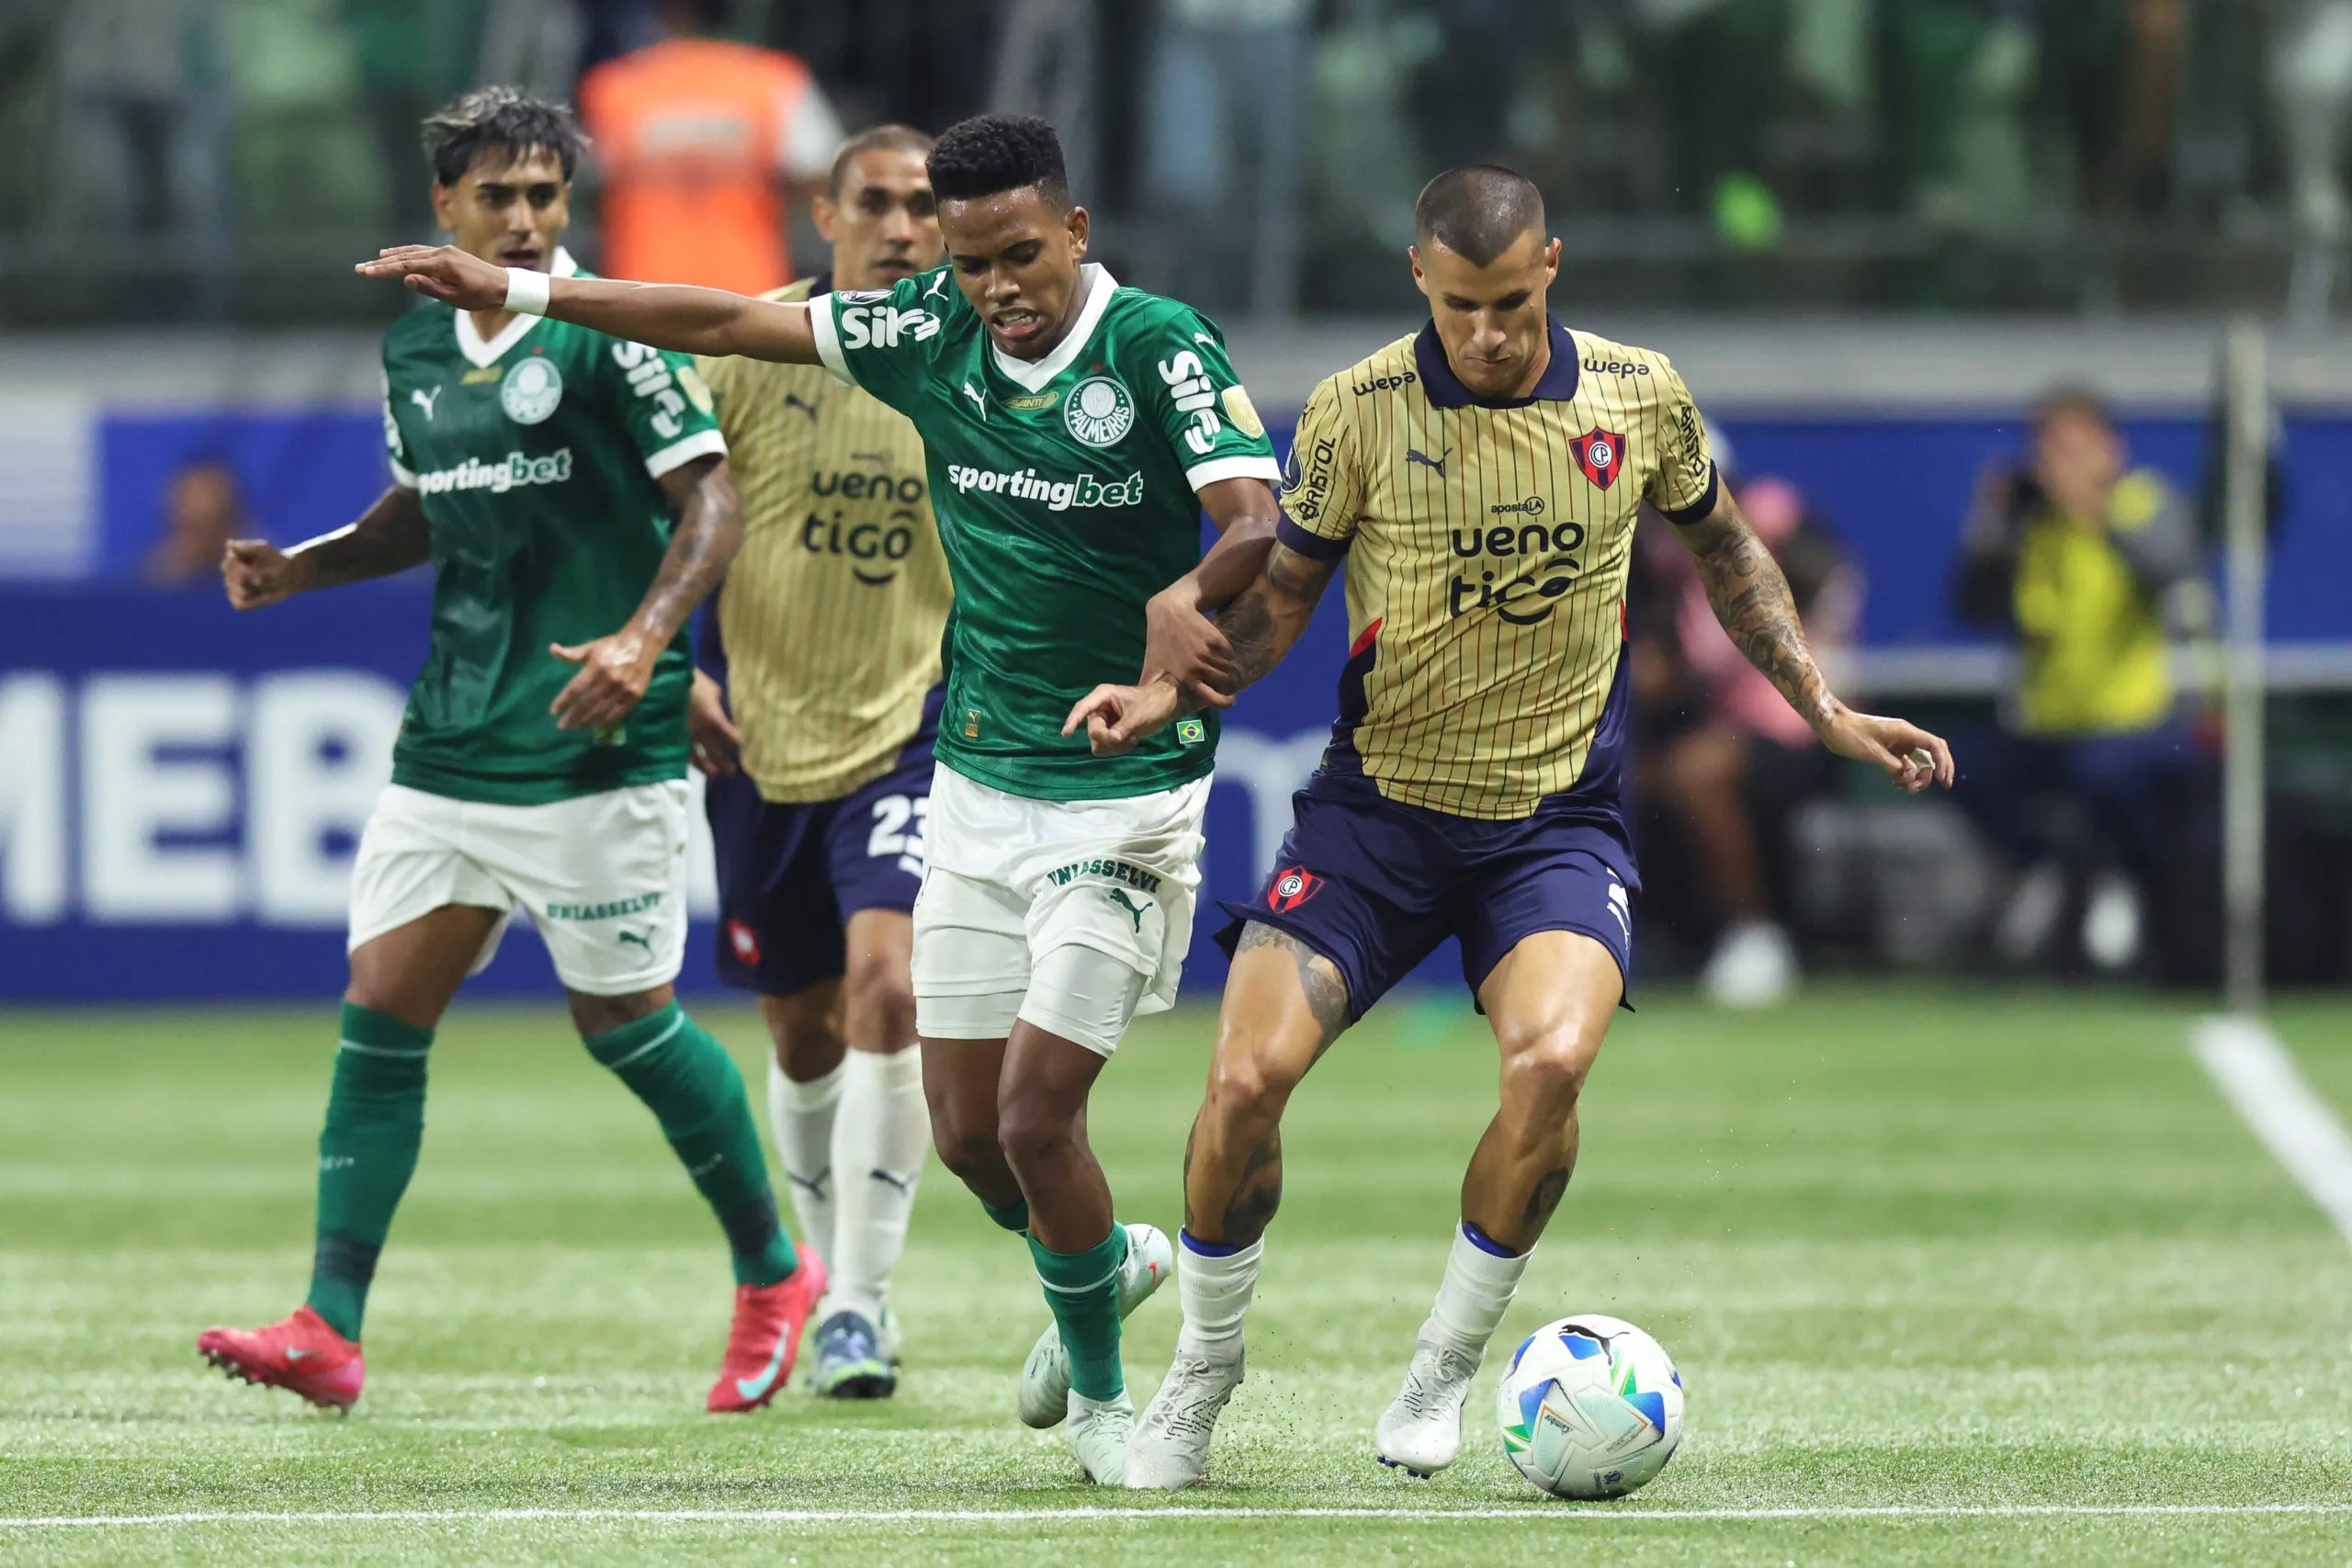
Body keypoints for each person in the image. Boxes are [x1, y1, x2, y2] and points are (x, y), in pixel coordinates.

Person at [357, 112, 1287, 1483]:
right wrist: (524, 290)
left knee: (1033, 1113)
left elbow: (1256, 515)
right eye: (973, 266)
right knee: (972, 1139)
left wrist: (1182, 602)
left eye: (1019, 255)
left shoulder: (1156, 342)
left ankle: (1108, 1406)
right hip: (979, 784)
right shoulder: (928, 332)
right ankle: (1106, 1261)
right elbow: (723, 321)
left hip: (1122, 793)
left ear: (1076, 234)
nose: (996, 290)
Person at [1062, 165, 1954, 1489]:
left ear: (1553, 267)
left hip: (1555, 825)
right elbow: (1285, 603)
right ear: (1421, 279)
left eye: (1515, 301)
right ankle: (1200, 1372)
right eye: (1465, 303)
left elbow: (1725, 553)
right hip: (1376, 813)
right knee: (1242, 1083)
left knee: (1550, 1063)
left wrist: (1820, 705)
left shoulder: (1637, 392)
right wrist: (1165, 689)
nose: (1489, 331)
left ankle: (1442, 1369)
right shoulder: (1357, 411)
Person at [197, 86, 826, 1417]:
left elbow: (712, 501)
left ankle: (776, 1273)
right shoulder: (419, 349)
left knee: (627, 1026)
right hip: (450, 743)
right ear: (446, 208)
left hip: (594, 745)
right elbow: (423, 509)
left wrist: (650, 643)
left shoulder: (608, 334)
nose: (530, 220)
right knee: (381, 1012)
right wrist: (301, 568)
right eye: (502, 197)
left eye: (547, 195)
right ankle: (331, 1323)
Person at [685, 123, 949, 1399]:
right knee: (797, 1031)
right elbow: (673, 503)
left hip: (914, 721)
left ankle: (860, 1299)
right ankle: (814, 1265)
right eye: (880, 204)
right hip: (757, 730)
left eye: (923, 207)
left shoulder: (970, 357)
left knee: (886, 988)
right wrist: (667, 655)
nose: (904, 229)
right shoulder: (745, 347)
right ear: (824, 214)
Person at [1952, 385, 2213, 971]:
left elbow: (2174, 571)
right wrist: (1991, 526)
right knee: (1949, 767)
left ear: (2108, 449)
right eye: (2045, 447)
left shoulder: (2143, 504)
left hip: (2133, 721)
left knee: (2110, 778)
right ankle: (2038, 867)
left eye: (2070, 447)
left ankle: (2117, 883)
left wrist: (2091, 511)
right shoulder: (2030, 524)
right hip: (2046, 722)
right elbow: (1973, 606)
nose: (2054, 461)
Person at [1639, 474, 1861, 1006]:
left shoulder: (1767, 524)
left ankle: (1754, 932)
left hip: (1801, 726)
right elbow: (1666, 669)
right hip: (1733, 726)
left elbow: (1822, 578)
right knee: (1639, 776)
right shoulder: (1666, 566)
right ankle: (1672, 937)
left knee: (1697, 774)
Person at [577, 0, 844, 295]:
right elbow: (827, 175)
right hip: (750, 296)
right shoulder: (775, 80)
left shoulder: (613, 86)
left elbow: (585, 185)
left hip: (639, 296)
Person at [144, 457, 250, 586]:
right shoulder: (151, 583)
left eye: (211, 523)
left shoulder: (265, 578)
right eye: (194, 526)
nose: (203, 538)